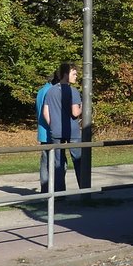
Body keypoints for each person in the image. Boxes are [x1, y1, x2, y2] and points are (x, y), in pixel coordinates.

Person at [41, 62, 83, 192]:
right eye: (74, 74)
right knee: (79, 160)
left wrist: (52, 124)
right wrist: (83, 106)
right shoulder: (73, 91)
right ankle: (84, 189)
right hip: (72, 131)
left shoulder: (50, 91)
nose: (76, 76)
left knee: (58, 162)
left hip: (56, 131)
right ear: (66, 74)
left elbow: (45, 112)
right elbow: (75, 112)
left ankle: (59, 193)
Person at [36, 68, 58, 193]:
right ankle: (52, 191)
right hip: (50, 131)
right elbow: (48, 112)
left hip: (43, 132)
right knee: (57, 163)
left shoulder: (41, 91)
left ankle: (45, 190)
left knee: (45, 162)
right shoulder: (51, 91)